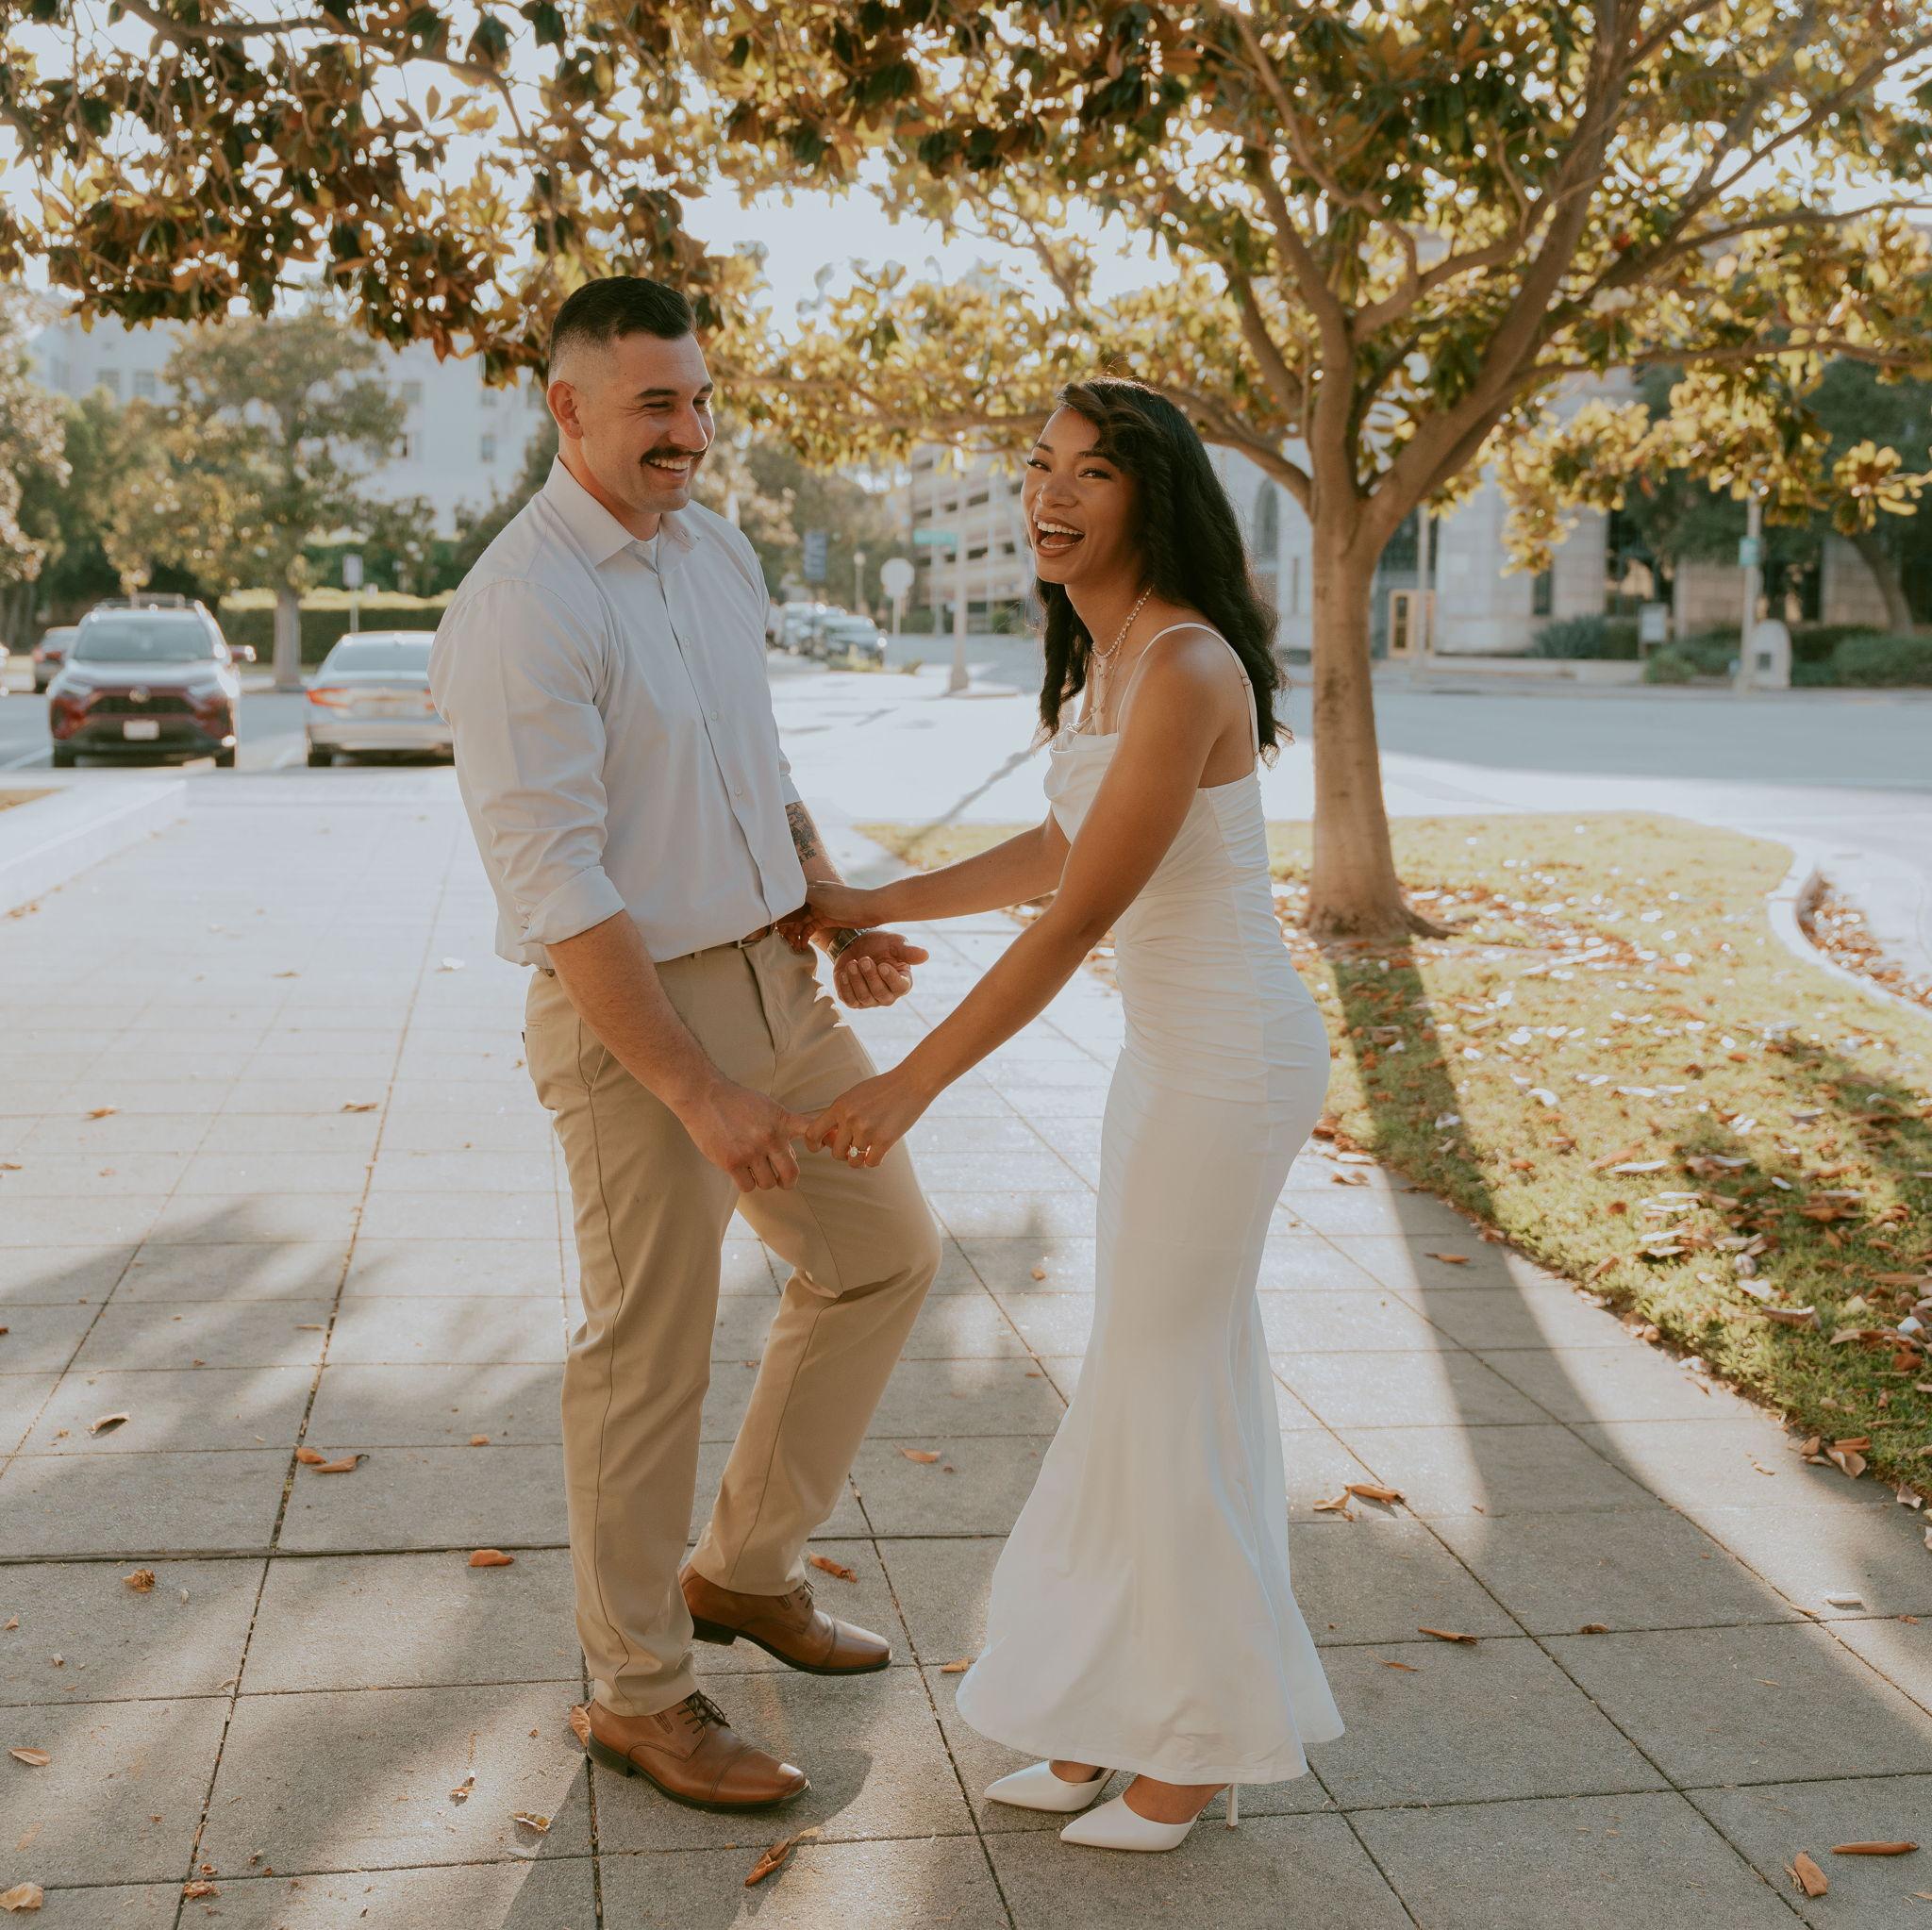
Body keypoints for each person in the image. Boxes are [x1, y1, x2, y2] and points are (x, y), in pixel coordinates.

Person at [798, 377, 1344, 1853]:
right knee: (1158, 1379)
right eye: (1040, 465)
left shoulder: (1185, 663)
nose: (1051, 493)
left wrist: (911, 1079)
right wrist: (864, 898)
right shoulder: (1112, 660)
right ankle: (1120, 1716)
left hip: (1230, 1063)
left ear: (1153, 497)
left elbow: (1075, 916)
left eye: (1092, 472)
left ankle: (1193, 1748)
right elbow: (1056, 846)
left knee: (1163, 1386)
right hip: (1173, 1058)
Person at [428, 275, 941, 1816]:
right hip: (635, 1019)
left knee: (882, 1254)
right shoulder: (521, 607)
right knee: (647, 1351)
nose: (692, 431)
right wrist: (697, 1088)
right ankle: (638, 1692)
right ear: (567, 407)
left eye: (701, 400)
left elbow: (750, 766)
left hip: (780, 981)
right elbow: (561, 885)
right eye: (657, 403)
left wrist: (825, 906)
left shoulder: (714, 553)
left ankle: (743, 1570)